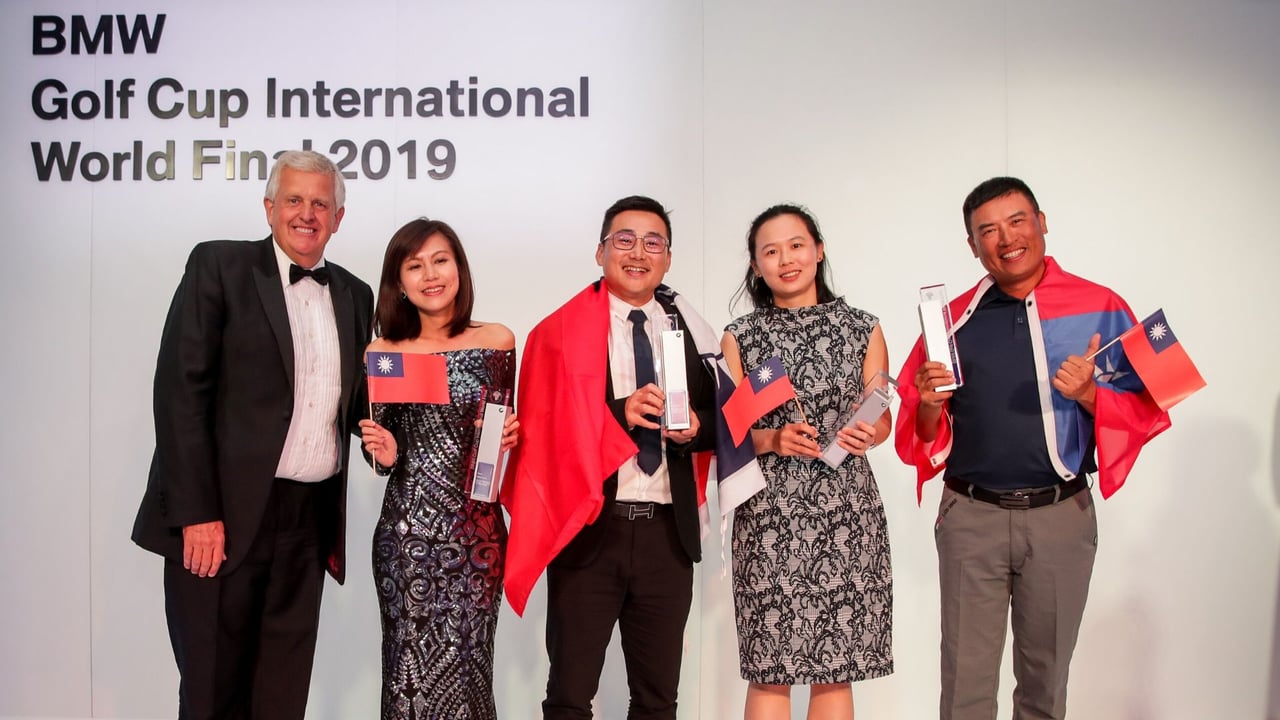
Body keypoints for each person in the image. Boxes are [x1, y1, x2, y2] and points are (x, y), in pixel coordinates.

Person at [896, 176, 1172, 720]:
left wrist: (1090, 394)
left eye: (1017, 221)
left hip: (1060, 517)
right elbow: (920, 434)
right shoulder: (952, 321)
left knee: (1045, 687)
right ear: (972, 246)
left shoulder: (1099, 306)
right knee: (965, 690)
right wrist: (928, 404)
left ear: (1042, 222)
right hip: (971, 517)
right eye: (988, 231)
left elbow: (1154, 401)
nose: (1006, 239)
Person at [131, 150, 374, 719]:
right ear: (269, 208)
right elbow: (180, 393)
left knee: (281, 694)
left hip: (308, 522)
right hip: (223, 518)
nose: (307, 214)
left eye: (321, 203)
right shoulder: (219, 266)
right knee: (214, 692)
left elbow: (360, 404)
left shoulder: (356, 295)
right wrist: (197, 513)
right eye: (294, 200)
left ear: (338, 218)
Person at [501, 195, 718, 720]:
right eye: (624, 240)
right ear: (600, 252)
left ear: (668, 258)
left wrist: (694, 430)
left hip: (668, 534)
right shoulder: (557, 334)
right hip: (590, 530)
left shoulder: (693, 330)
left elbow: (721, 421)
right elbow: (544, 434)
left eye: (653, 242)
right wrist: (619, 413)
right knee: (570, 696)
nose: (638, 253)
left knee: (657, 700)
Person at [721, 204, 894, 719]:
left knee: (834, 670)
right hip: (769, 516)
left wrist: (868, 431)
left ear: (818, 250)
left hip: (847, 511)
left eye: (796, 245)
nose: (786, 259)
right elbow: (728, 434)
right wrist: (774, 438)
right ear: (756, 266)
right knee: (769, 669)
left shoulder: (863, 328)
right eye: (771, 251)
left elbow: (881, 413)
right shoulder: (740, 336)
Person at [356, 218, 520, 720]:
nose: (430, 274)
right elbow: (380, 449)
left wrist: (511, 436)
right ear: (399, 282)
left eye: (440, 260)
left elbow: (499, 431)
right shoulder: (384, 354)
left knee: (470, 677)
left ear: (459, 268)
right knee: (407, 678)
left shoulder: (496, 341)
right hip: (407, 539)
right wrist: (383, 453)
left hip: (477, 536)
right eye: (415, 265)